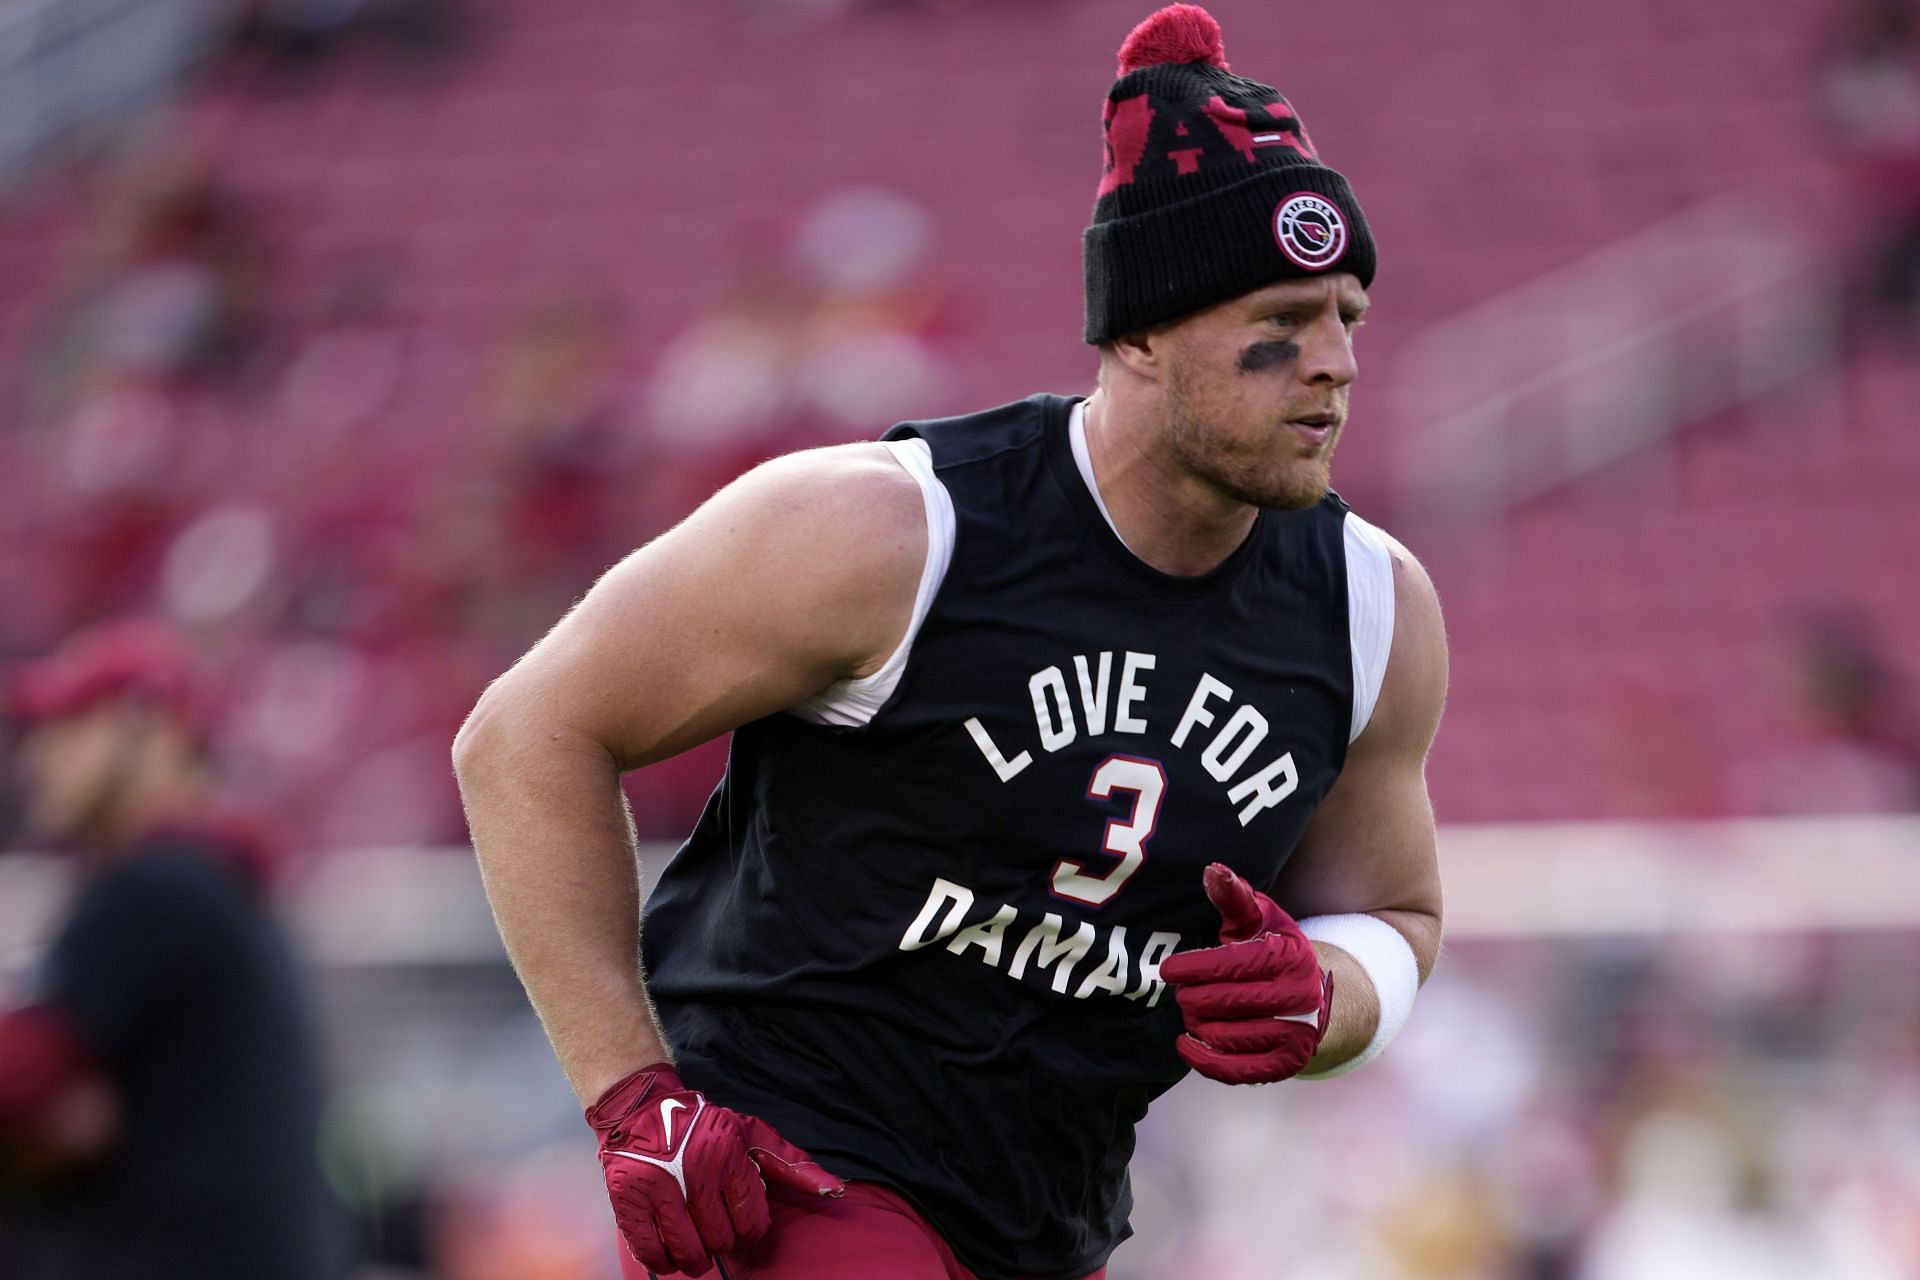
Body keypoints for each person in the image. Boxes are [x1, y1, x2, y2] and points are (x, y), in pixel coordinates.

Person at [453, 6, 1447, 1279]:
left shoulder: (1372, 606)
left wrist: (1331, 992)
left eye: (1349, 314)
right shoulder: (887, 527)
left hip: (1057, 1213)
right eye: (1285, 318)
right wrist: (629, 1093)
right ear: (1139, 329)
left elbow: (1396, 911)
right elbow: (523, 732)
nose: (1337, 363)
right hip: (802, 1169)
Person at [0, 621, 347, 1280]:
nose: (39, 757)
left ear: (152, 732)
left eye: (71, 724)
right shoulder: (217, 886)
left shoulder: (160, 886)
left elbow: (16, 1078)